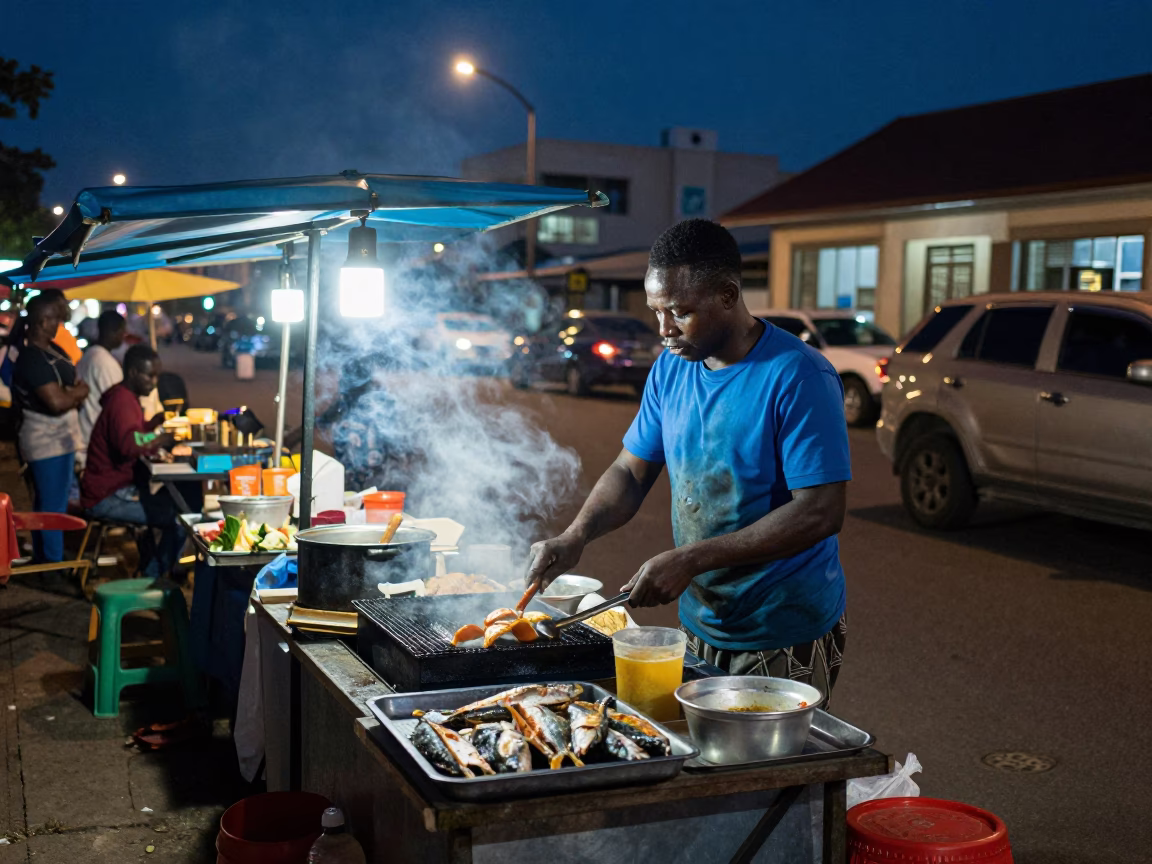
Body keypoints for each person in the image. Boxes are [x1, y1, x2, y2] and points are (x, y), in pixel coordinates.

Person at [526, 220, 852, 698]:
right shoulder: (671, 368)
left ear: (727, 295)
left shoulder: (799, 376)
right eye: (657, 312)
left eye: (680, 312)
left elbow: (821, 510)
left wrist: (690, 559)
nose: (663, 330)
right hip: (699, 620)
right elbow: (630, 472)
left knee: (766, 767)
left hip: (782, 625)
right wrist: (577, 534)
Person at [80, 345, 183, 579]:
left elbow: (133, 435)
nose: (154, 382)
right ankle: (151, 578)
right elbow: (129, 445)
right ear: (134, 373)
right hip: (107, 496)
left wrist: (152, 425)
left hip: (113, 489)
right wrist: (160, 438)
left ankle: (154, 566)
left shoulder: (124, 397)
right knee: (181, 520)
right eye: (150, 375)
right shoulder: (123, 402)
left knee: (178, 503)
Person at [11, 293, 89, 563]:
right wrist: (78, 393)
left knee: (50, 503)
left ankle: (48, 558)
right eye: (55, 318)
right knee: (52, 507)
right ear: (43, 322)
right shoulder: (32, 358)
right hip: (46, 443)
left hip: (58, 441)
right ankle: (52, 565)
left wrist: (74, 393)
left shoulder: (48, 352)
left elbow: (66, 392)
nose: (59, 324)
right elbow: (56, 401)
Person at [76, 310, 128, 461]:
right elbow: (117, 406)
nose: (124, 336)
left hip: (85, 433)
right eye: (122, 332)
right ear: (114, 332)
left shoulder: (88, 355)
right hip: (94, 439)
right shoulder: (104, 363)